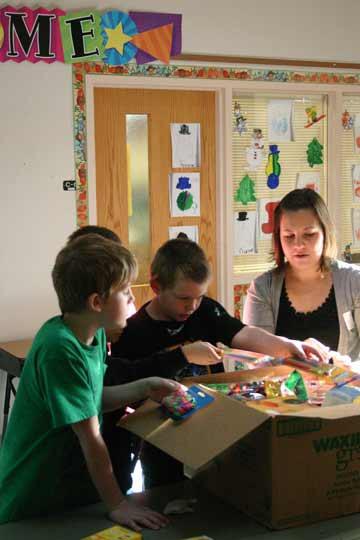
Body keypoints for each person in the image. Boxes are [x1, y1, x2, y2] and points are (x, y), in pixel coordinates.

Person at [107, 237, 324, 489]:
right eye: (183, 298)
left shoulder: (206, 311)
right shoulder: (133, 331)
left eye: (199, 296)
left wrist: (286, 345)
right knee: (166, 494)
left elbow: (243, 334)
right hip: (162, 440)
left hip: (213, 428)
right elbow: (128, 390)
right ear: (156, 286)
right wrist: (183, 356)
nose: (192, 306)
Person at [0, 234, 181, 531]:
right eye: (125, 292)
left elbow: (90, 399)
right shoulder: (59, 349)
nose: (134, 299)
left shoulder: (93, 334)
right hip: (34, 496)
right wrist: (118, 504)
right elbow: (91, 436)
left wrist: (145, 387)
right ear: (97, 302)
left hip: (70, 488)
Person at [243, 188, 360, 361]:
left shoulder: (354, 281)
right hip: (280, 387)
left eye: (309, 234)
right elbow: (255, 361)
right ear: (278, 239)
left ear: (325, 234)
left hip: (345, 386)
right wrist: (294, 353)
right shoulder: (262, 289)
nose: (298, 244)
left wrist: (342, 366)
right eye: (289, 236)